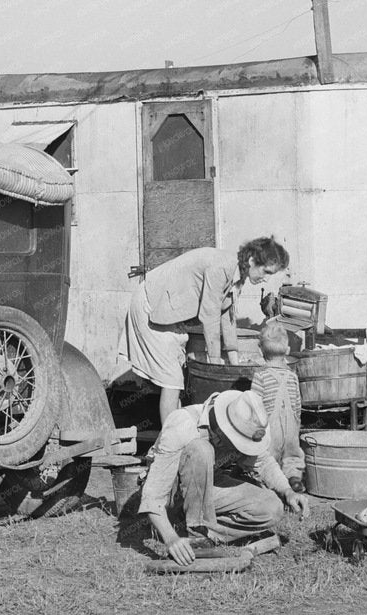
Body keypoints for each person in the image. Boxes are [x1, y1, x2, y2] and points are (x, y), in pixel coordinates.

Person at [120, 237, 290, 427]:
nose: (266, 278)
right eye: (266, 271)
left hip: (168, 311)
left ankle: (178, 432)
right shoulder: (221, 267)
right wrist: (215, 363)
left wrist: (234, 362)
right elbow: (210, 315)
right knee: (172, 379)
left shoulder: (239, 274)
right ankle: (169, 443)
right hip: (151, 304)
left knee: (176, 375)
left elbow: (227, 315)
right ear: (252, 261)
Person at [137, 387, 310, 566]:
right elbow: (153, 496)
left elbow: (263, 462)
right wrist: (170, 538)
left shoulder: (238, 423)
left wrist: (288, 491)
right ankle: (189, 529)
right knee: (201, 450)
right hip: (172, 493)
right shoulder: (182, 423)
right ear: (222, 432)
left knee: (272, 508)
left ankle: (205, 536)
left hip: (206, 484)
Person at [250, 318, 306, 491]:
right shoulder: (293, 377)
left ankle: (271, 481)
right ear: (288, 350)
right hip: (290, 427)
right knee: (292, 454)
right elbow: (297, 406)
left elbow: (254, 405)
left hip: (269, 429)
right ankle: (294, 478)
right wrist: (296, 424)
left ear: (260, 351)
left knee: (268, 455)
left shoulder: (260, 377)